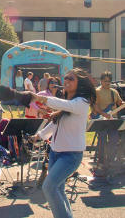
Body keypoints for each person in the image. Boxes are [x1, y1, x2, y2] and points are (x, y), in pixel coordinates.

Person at [31, 68, 96, 218]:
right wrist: (39, 136)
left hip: (71, 156)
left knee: (49, 187)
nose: (66, 80)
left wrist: (41, 98)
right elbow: (55, 124)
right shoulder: (67, 104)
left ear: (80, 83)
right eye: (66, 78)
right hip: (55, 153)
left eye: (71, 79)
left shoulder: (81, 103)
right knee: (58, 189)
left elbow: (61, 104)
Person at [91, 71, 124, 171]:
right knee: (102, 140)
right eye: (105, 81)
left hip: (112, 120)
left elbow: (119, 102)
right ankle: (101, 161)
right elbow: (95, 106)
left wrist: (122, 103)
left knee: (114, 139)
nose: (107, 83)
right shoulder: (97, 91)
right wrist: (104, 114)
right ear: (101, 81)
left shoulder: (114, 92)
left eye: (109, 81)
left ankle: (110, 160)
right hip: (101, 120)